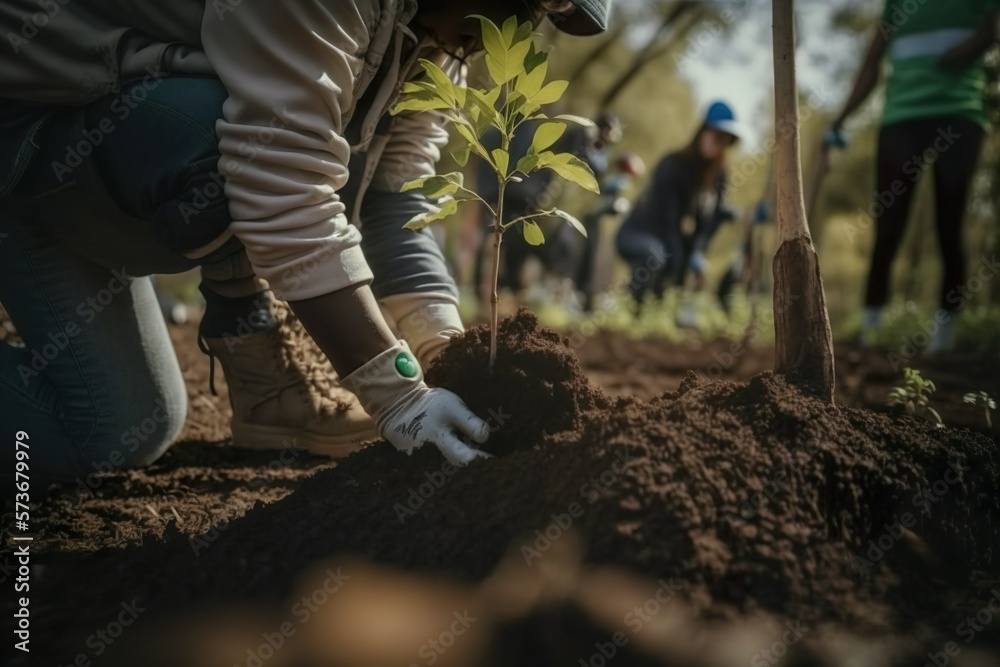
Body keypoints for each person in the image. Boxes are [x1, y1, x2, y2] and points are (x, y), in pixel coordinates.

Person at [0, 0, 611, 481]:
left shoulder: (436, 47)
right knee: (241, 147)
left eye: (543, 16)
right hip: (31, 125)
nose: (522, 29)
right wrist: (397, 397)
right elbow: (280, 179)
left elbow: (396, 194)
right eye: (529, 2)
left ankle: (263, 370)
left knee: (119, 428)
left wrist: (444, 348)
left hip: (50, 198)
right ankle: (257, 343)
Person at [828, 0, 998, 351]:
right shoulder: (897, 4)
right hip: (901, 117)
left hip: (958, 112)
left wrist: (968, 48)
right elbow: (871, 64)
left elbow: (990, 30)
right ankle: (871, 329)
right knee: (888, 223)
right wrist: (839, 119)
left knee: (949, 223)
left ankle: (943, 336)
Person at [474, 112, 623, 304]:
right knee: (518, 245)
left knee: (527, 247)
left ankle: (518, 291)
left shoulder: (593, 147)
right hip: (532, 199)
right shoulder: (582, 137)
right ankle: (498, 291)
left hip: (541, 202)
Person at [615, 101, 742, 308]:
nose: (718, 144)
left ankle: (662, 314)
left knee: (678, 259)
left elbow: (707, 220)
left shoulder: (718, 177)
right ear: (703, 132)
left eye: (724, 141)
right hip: (637, 234)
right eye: (715, 136)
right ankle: (632, 310)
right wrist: (680, 257)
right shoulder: (673, 165)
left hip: (668, 240)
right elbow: (667, 221)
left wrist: (698, 251)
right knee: (656, 256)